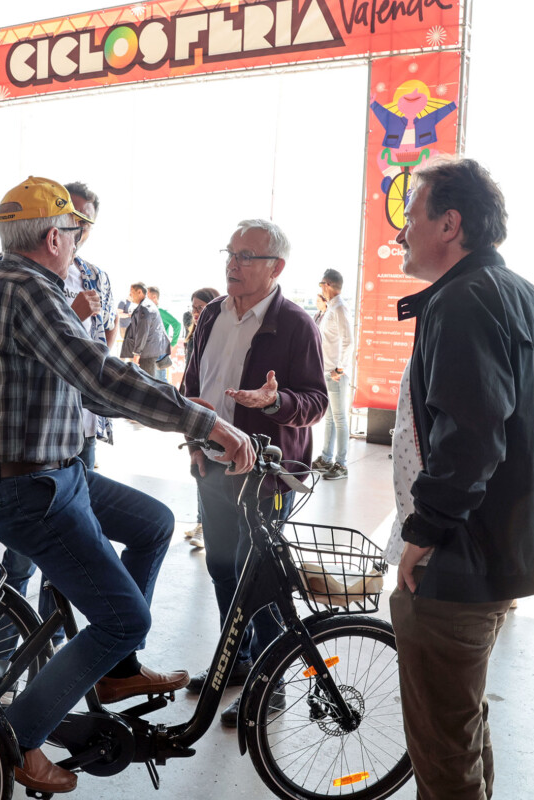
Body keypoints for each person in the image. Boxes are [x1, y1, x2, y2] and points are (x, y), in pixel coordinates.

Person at [0, 176, 253, 794]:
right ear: (52, 237)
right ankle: (15, 739)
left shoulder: (21, 286)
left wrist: (178, 409)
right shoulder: (27, 292)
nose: (77, 241)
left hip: (56, 474)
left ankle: (114, 672)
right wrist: (208, 424)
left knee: (154, 524)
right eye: (74, 231)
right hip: (31, 489)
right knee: (124, 618)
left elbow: (88, 387)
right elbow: (99, 373)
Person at [387, 158, 534, 799]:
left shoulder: (464, 301)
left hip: (460, 558)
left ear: (450, 224)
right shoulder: (522, 294)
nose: (401, 233)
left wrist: (424, 531)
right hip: (507, 546)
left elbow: (471, 437)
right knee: (461, 725)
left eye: (411, 217)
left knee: (443, 753)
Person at [181, 219, 328, 727]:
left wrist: (274, 402)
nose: (233, 264)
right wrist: (193, 440)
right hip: (212, 466)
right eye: (230, 253)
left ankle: (271, 681)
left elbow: (316, 402)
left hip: (264, 474)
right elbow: (192, 382)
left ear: (276, 267)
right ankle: (237, 659)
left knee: (258, 577)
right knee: (222, 567)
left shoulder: (295, 324)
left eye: (246, 256)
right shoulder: (211, 315)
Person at [1, 179, 118, 648]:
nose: (81, 229)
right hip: (36, 436)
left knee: (70, 549)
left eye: (88, 222)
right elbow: (41, 345)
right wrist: (74, 312)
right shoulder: (21, 276)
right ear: (54, 229)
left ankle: (53, 644)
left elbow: (103, 347)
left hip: (81, 426)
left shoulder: (97, 276)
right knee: (22, 555)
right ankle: (1, 654)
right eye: (75, 220)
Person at [180, 286, 220, 549]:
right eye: (193, 308)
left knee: (206, 467)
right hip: (193, 406)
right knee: (199, 463)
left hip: (209, 409)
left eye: (201, 308)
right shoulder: (194, 332)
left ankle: (206, 526)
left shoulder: (214, 334)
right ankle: (201, 521)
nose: (196, 313)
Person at [312, 268, 354, 480]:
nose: (320, 288)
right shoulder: (332, 308)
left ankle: (341, 464)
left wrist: (340, 368)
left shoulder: (339, 308)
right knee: (330, 418)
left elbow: (349, 340)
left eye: (321, 284)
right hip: (328, 371)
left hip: (335, 373)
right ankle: (326, 458)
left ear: (327, 284)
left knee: (339, 418)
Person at [120, 282, 168, 377]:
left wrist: (136, 353)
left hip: (147, 354)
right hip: (150, 351)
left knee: (146, 381)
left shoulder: (144, 308)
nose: (130, 295)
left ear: (139, 292)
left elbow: (143, 332)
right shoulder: (146, 305)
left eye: (131, 292)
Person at [146, 286, 182, 382]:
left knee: (160, 380)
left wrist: (173, 344)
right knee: (150, 380)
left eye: (147, 296)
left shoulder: (160, 312)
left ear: (154, 297)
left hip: (159, 352)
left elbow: (177, 325)